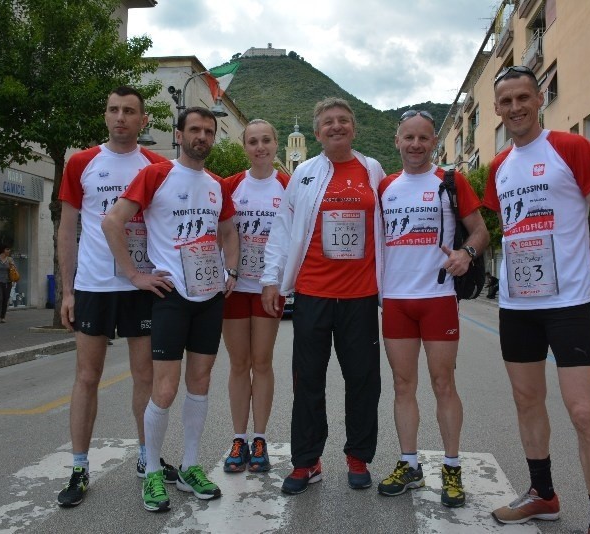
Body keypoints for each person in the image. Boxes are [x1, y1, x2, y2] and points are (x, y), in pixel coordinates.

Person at [484, 65, 590, 534]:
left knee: (585, 412)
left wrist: (580, 271)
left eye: (523, 97)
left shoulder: (571, 148)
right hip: (517, 304)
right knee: (527, 401)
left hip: (567, 305)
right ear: (498, 109)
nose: (515, 108)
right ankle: (542, 494)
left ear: (539, 97)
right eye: (505, 102)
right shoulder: (499, 166)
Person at [102, 106, 239, 512]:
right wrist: (134, 275)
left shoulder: (217, 184)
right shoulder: (156, 174)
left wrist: (230, 269)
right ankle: (153, 472)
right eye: (194, 129)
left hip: (209, 295)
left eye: (209, 131)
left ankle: (192, 465)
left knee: (200, 381)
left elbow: (229, 229)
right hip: (170, 296)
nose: (202, 136)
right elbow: (113, 221)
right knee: (164, 387)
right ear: (178, 135)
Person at [56, 86, 176, 507]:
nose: (120, 117)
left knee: (145, 377)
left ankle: (148, 460)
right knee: (87, 377)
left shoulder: (159, 165)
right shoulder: (82, 163)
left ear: (144, 121)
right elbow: (67, 228)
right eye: (113, 110)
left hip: (144, 287)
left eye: (129, 111)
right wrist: (67, 290)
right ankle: (79, 466)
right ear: (105, 116)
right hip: (93, 287)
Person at [261, 97, 385, 495]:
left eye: (343, 121)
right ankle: (307, 462)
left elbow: (387, 227)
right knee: (308, 381)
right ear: (316, 133)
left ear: (354, 127)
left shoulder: (373, 170)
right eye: (328, 122)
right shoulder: (306, 174)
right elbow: (282, 228)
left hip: (360, 295)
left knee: (363, 379)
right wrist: (272, 280)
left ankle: (358, 457)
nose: (336, 127)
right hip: (312, 293)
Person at [375, 110, 488, 506]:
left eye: (424, 138)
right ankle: (409, 464)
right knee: (403, 386)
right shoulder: (385, 186)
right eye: (409, 137)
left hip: (438, 299)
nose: (416, 145)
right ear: (397, 141)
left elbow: (480, 230)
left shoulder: (450, 182)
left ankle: (452, 468)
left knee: (443, 385)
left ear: (433, 143)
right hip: (396, 300)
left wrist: (466, 254)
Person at [221, 120, 289, 473]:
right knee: (238, 364)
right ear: (244, 146)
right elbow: (218, 232)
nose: (260, 147)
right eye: (252, 141)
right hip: (234, 288)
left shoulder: (287, 186)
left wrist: (282, 281)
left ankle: (259, 437)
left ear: (276, 144)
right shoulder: (231, 186)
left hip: (268, 289)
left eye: (266, 140)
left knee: (261, 362)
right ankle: (238, 437)